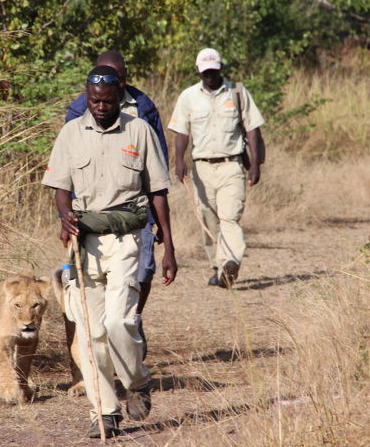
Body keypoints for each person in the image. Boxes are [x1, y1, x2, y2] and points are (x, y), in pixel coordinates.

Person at [42, 65, 177, 438]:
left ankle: (136, 382)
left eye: (106, 100)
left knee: (120, 322)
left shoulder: (139, 130)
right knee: (89, 333)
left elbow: (158, 192)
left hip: (127, 239)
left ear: (120, 95)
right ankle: (104, 412)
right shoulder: (71, 133)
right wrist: (65, 216)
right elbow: (60, 186)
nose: (99, 107)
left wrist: (169, 246)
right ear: (86, 96)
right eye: (93, 100)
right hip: (84, 244)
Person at [66, 50, 168, 359]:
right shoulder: (79, 110)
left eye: (121, 78)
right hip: (92, 216)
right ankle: (109, 350)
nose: (116, 83)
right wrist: (68, 216)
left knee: (143, 271)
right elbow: (69, 166)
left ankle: (131, 319)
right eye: (110, 77)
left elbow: (157, 165)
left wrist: (160, 222)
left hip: (137, 211)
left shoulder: (143, 106)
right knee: (92, 287)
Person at [168, 48, 265, 287]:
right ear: (199, 71)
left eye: (213, 70)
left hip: (231, 166)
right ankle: (218, 267)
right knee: (208, 219)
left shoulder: (238, 92)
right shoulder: (188, 96)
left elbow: (252, 129)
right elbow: (182, 132)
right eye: (205, 71)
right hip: (202, 168)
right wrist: (179, 161)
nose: (210, 75)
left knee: (229, 217)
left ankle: (231, 261)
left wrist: (255, 164)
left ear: (220, 68)